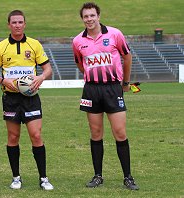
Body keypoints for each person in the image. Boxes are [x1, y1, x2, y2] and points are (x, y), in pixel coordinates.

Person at [72, 2, 139, 190]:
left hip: (112, 89)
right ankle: (98, 176)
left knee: (120, 132)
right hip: (91, 90)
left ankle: (128, 177)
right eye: (86, 16)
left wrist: (125, 83)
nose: (89, 19)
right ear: (82, 19)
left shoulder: (114, 34)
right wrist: (92, 75)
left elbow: (127, 57)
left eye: (92, 15)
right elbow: (80, 63)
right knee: (96, 134)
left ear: (98, 16)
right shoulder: (78, 40)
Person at [0, 10, 54, 191]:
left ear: (24, 24)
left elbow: (47, 69)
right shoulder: (1, 47)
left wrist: (41, 78)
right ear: (9, 25)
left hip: (31, 97)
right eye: (14, 22)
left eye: (20, 22)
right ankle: (16, 177)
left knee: (36, 135)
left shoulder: (34, 45)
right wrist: (3, 81)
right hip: (10, 98)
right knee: (13, 137)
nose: (17, 25)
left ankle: (43, 178)